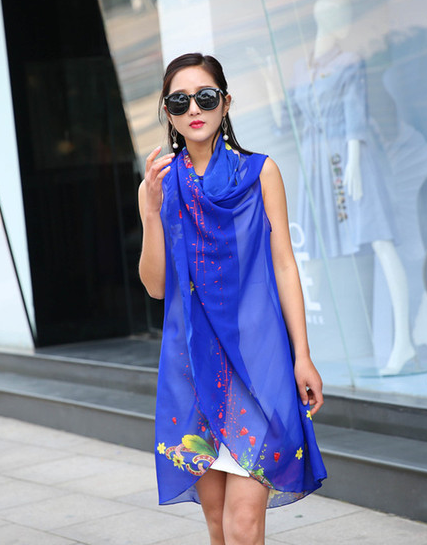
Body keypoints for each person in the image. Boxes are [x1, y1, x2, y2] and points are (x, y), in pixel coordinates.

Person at [138, 53, 326, 545]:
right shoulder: (161, 185)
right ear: (168, 112)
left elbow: (284, 265)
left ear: (225, 103)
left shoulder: (261, 172)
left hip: (258, 366)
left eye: (205, 97)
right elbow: (156, 286)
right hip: (192, 371)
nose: (193, 109)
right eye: (180, 101)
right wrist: (151, 213)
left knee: (243, 527)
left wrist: (302, 355)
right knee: (218, 525)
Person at [292, 0, 413, 375]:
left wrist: (355, 161)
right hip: (318, 165)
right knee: (316, 252)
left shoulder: (349, 62)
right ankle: (307, 352)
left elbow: (355, 113)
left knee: (380, 240)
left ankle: (403, 342)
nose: (347, 24)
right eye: (342, 17)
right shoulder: (300, 68)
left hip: (349, 159)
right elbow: (292, 119)